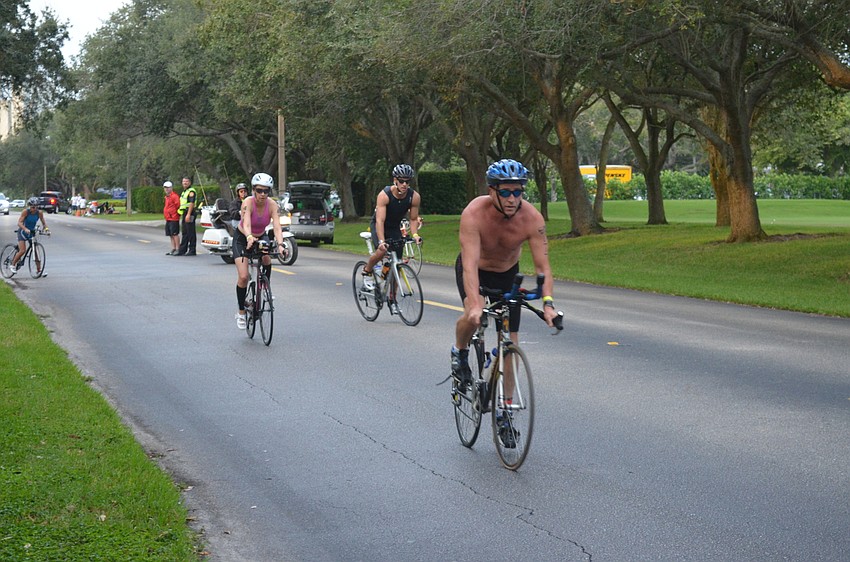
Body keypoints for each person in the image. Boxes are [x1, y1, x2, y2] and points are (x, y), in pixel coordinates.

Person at [451, 159, 559, 446]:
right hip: (475, 270)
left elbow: (543, 267)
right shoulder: (474, 213)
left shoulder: (532, 219)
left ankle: (505, 412)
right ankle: (459, 352)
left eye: (518, 192)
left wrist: (548, 303)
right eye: (506, 192)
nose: (513, 199)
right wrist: (475, 303)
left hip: (507, 276)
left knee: (511, 344)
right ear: (492, 191)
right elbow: (470, 265)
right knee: (470, 315)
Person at [360, 164, 423, 304]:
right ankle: (367, 271)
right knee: (382, 251)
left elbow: (413, 219)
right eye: (401, 181)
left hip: (394, 227)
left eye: (408, 181)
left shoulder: (414, 197)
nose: (405, 184)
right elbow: (380, 221)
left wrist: (415, 235)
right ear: (395, 180)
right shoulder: (385, 195)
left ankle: (392, 297)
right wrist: (382, 241)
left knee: (397, 263)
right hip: (380, 226)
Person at [233, 173, 285, 329]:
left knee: (267, 259)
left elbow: (276, 226)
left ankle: (265, 289)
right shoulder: (247, 203)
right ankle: (241, 312)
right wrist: (249, 236)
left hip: (260, 235)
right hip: (243, 237)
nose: (263, 194)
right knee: (243, 277)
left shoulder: (272, 205)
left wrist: (281, 244)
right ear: (254, 190)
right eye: (260, 190)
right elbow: (246, 223)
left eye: (266, 191)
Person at [9, 197, 49, 274]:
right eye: (33, 207)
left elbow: (44, 223)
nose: (34, 209)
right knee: (22, 250)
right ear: (29, 206)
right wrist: (25, 229)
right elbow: (19, 223)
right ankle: (13, 264)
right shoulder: (25, 212)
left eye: (36, 207)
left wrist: (47, 229)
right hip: (23, 232)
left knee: (36, 252)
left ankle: (39, 270)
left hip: (31, 233)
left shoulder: (39, 213)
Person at [175, 176, 198, 256]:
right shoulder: (185, 191)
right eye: (184, 181)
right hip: (185, 213)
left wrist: (188, 214)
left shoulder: (191, 191)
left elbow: (191, 203)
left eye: (187, 181)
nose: (185, 183)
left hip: (190, 212)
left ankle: (192, 250)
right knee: (185, 232)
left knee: (190, 231)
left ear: (190, 183)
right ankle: (182, 250)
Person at [163, 181, 180, 255]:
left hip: (173, 218)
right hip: (168, 218)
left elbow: (178, 205)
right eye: (165, 188)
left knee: (174, 234)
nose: (167, 189)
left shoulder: (174, 196)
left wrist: (174, 214)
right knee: (170, 234)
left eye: (168, 187)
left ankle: (177, 249)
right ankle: (173, 248)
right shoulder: (167, 197)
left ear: (171, 188)